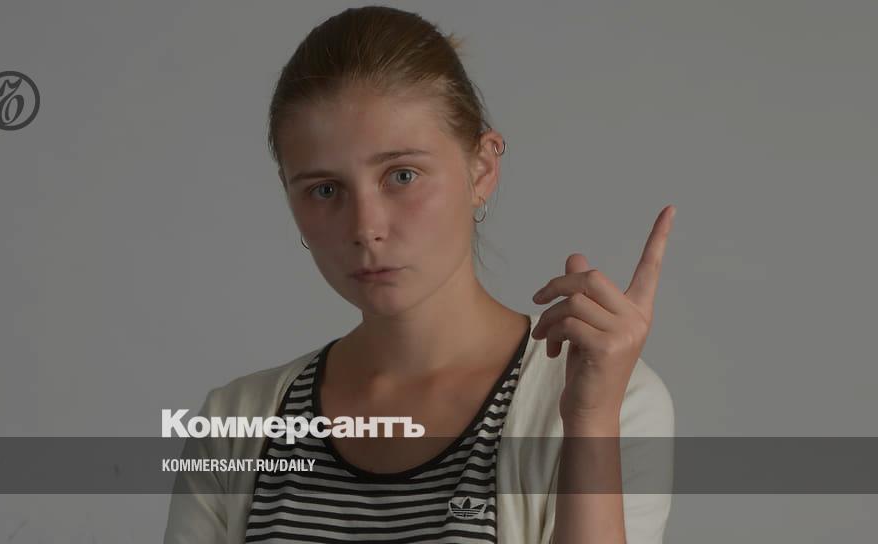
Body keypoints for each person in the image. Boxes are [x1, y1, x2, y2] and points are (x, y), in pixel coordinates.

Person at [164, 5, 675, 543]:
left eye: (402, 175)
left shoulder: (607, 400)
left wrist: (590, 421)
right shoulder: (234, 426)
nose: (366, 227)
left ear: (482, 169)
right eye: (324, 190)